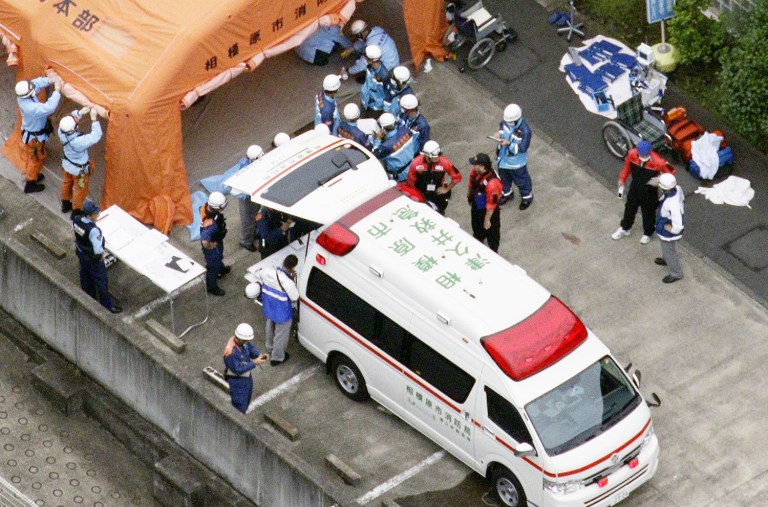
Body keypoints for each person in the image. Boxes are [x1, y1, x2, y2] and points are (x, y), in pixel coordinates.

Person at [612, 140, 674, 244]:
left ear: (650, 152)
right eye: (641, 154)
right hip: (635, 187)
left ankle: (648, 233)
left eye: (646, 155)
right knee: (629, 209)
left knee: (648, 212)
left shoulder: (659, 161)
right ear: (637, 152)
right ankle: (625, 228)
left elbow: (671, 172)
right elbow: (627, 168)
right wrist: (622, 179)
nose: (643, 156)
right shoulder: (632, 155)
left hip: (650, 190)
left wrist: (659, 179)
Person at [72, 201, 122, 314]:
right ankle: (107, 305)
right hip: (93, 259)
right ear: (90, 215)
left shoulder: (76, 220)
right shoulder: (94, 231)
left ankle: (89, 296)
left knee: (85, 275)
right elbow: (98, 250)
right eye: (96, 213)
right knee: (101, 281)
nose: (97, 215)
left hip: (81, 253)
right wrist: (100, 257)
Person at [15, 77, 62, 193]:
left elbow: (36, 84)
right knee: (35, 159)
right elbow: (49, 107)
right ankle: (30, 182)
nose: (33, 88)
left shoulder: (24, 96)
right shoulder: (30, 107)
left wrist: (50, 79)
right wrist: (57, 91)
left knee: (36, 156)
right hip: (35, 138)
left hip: (34, 134)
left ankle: (34, 175)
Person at [252, 254, 299, 366]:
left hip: (269, 307)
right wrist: (291, 278)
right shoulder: (288, 283)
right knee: (280, 335)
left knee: (269, 326)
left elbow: (261, 277)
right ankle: (277, 357)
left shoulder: (267, 271)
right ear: (292, 268)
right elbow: (295, 297)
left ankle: (269, 347)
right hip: (282, 312)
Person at [58, 107, 102, 217]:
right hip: (79, 170)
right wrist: (94, 119)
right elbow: (96, 135)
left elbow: (69, 121)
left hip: (67, 165)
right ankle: (76, 211)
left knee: (66, 183)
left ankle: (65, 203)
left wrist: (79, 113)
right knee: (80, 189)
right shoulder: (79, 141)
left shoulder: (61, 132)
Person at [223, 323, 269, 413]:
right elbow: (237, 369)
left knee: (247, 398)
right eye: (246, 340)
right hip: (237, 382)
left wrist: (259, 355)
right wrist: (254, 363)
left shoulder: (242, 341)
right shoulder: (231, 352)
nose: (247, 342)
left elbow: (250, 348)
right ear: (240, 338)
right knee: (240, 406)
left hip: (246, 378)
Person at [495, 103, 534, 210]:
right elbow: (502, 128)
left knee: (522, 181)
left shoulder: (525, 131)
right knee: (504, 179)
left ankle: (527, 197)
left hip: (516, 164)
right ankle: (507, 193)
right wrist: (499, 134)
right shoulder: (506, 122)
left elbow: (522, 148)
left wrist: (508, 144)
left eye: (510, 122)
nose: (508, 124)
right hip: (503, 159)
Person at [406, 140, 462, 214]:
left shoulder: (444, 163)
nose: (438, 158)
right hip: (421, 192)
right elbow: (411, 181)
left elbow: (457, 177)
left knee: (440, 212)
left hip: (437, 193)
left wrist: (447, 189)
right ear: (427, 156)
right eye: (436, 156)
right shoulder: (416, 164)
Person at [467, 153, 503, 252]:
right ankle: (478, 240)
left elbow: (491, 205)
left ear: (482, 166)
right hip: (477, 203)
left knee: (492, 234)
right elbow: (471, 183)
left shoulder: (493, 183)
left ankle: (493, 251)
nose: (473, 166)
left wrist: (487, 220)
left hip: (489, 211)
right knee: (476, 227)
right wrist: (470, 195)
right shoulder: (475, 171)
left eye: (475, 164)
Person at [234, 145, 266, 252]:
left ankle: (253, 234)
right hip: (247, 197)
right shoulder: (246, 169)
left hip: (254, 194)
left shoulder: (252, 162)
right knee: (248, 219)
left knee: (255, 214)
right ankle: (246, 241)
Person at [655, 173, 685, 283]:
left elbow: (678, 223)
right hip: (665, 224)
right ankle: (666, 259)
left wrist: (672, 229)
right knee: (666, 248)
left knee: (669, 251)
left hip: (668, 230)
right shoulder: (677, 189)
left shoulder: (673, 204)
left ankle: (676, 273)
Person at [372, 112, 419, 182]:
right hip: (415, 167)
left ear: (383, 129)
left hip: (402, 176)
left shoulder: (386, 146)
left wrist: (378, 140)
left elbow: (375, 155)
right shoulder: (405, 130)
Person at [200, 191, 229, 296]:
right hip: (212, 247)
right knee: (213, 266)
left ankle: (221, 268)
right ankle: (211, 286)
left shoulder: (206, 207)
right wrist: (211, 246)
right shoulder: (211, 224)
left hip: (216, 240)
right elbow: (204, 241)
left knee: (219, 257)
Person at [360, 45, 389, 117]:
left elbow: (388, 95)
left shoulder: (384, 75)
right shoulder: (370, 67)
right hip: (366, 100)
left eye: (366, 57)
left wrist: (385, 112)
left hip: (375, 107)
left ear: (371, 60)